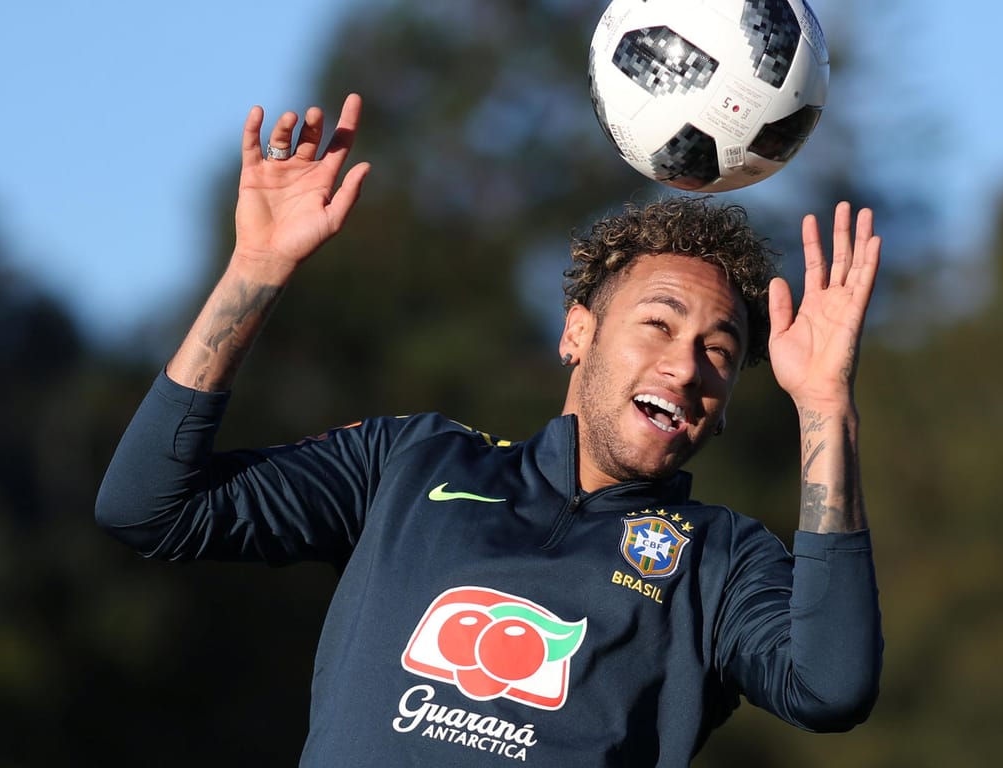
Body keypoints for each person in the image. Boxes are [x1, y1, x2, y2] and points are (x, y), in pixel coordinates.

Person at [95, 93, 883, 766]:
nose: (686, 368)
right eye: (658, 324)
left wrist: (824, 406)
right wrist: (256, 271)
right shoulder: (407, 462)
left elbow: (831, 686)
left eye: (719, 351)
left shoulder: (720, 558)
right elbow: (148, 508)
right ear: (577, 334)